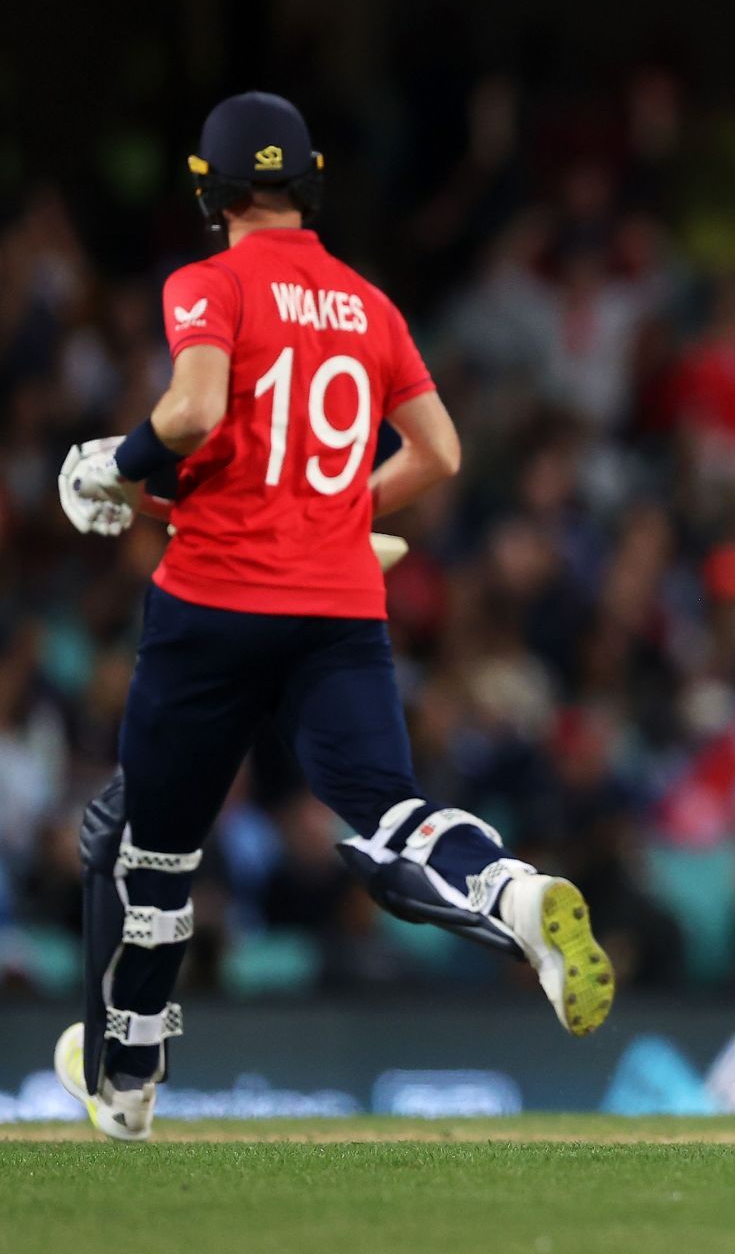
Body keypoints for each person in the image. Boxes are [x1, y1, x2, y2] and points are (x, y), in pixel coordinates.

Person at [51, 93, 613, 1142]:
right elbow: (441, 453)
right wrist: (335, 509)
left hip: (212, 599)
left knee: (157, 852)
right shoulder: (369, 303)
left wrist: (110, 464)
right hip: (339, 604)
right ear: (308, 182)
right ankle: (509, 889)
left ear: (211, 188)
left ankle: (125, 1081)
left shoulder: (207, 281)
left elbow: (195, 411)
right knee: (392, 809)